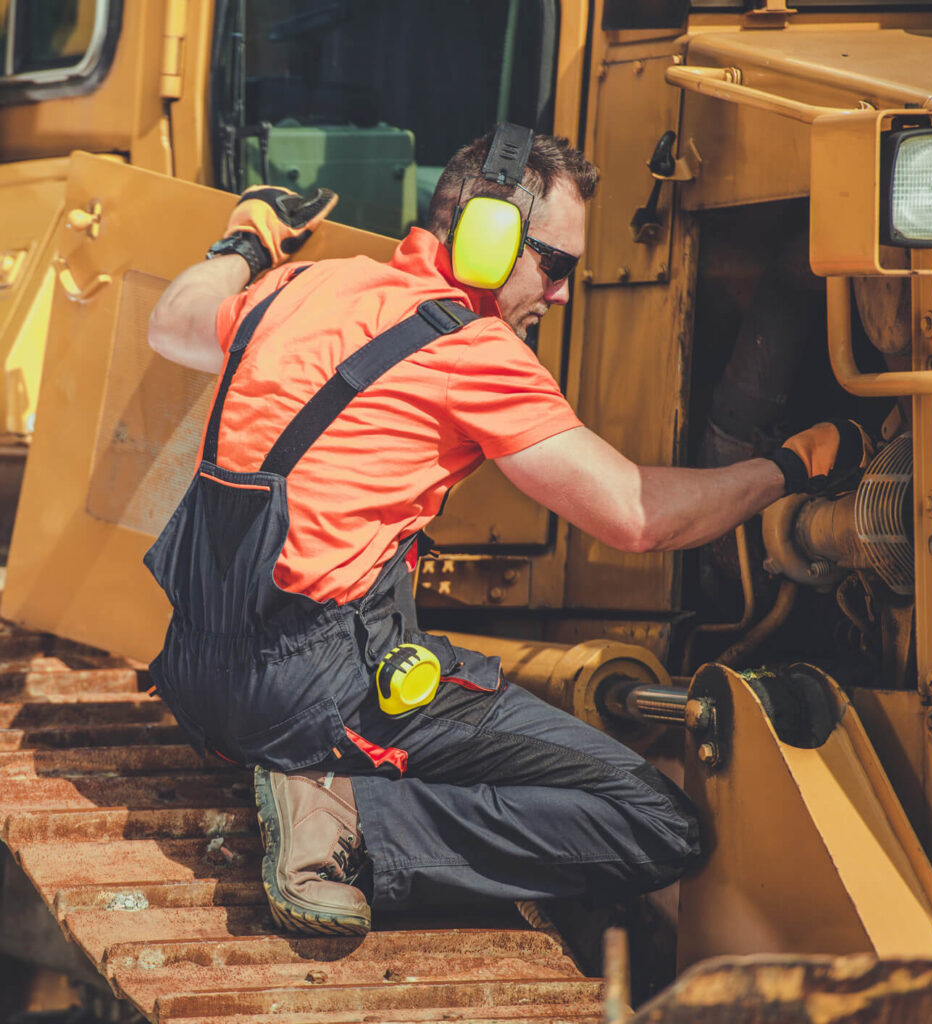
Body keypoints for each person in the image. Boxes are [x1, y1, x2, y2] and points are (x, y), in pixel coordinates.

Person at [146, 125, 868, 942]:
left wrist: (248, 238)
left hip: (197, 675)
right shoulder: (472, 350)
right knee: (653, 821)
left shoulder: (306, 285)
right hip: (309, 697)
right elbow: (639, 515)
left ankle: (315, 780)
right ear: (489, 240)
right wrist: (792, 466)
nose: (560, 295)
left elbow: (173, 320)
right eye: (555, 265)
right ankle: (342, 817)